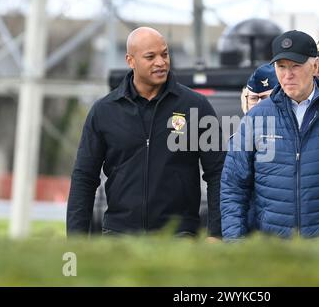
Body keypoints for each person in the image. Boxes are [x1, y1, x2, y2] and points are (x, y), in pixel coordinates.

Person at [220, 30, 319, 239]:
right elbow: (233, 189)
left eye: (296, 66)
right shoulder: (255, 119)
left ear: (315, 66)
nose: (288, 75)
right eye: (281, 67)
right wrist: (235, 245)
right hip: (271, 254)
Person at [67, 27, 225, 239]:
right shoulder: (104, 111)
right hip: (118, 238)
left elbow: (219, 173)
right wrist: (75, 243)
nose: (161, 62)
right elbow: (84, 178)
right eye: (150, 57)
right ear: (130, 61)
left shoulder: (196, 106)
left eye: (165, 54)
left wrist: (216, 233)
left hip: (179, 238)